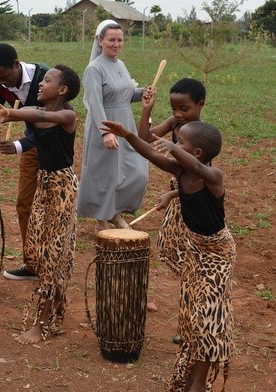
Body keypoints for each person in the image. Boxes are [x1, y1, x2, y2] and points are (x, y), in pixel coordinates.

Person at [101, 119, 235, 392]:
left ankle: (198, 382)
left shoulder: (213, 176)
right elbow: (149, 153)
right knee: (192, 314)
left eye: (181, 141)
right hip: (196, 248)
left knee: (208, 316)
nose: (174, 143)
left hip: (217, 253)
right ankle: (190, 371)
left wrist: (173, 148)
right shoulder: (181, 172)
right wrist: (127, 135)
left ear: (196, 152)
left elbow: (198, 167)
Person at [0, 64, 81, 345]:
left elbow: (33, 113)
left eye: (47, 81)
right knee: (36, 250)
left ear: (62, 90)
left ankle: (44, 322)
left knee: (52, 254)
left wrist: (10, 112)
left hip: (62, 188)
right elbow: (34, 114)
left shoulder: (67, 114)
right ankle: (54, 307)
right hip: (45, 184)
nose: (40, 83)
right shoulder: (43, 111)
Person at [0, 43, 50, 281]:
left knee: (53, 207)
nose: (3, 83)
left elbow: (49, 123)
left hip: (55, 147)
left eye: (6, 77)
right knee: (25, 205)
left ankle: (54, 261)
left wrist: (19, 145)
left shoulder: (45, 77)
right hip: (31, 144)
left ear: (17, 65)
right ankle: (33, 264)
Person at [77, 19, 150, 232]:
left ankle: (115, 212)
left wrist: (143, 92)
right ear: (100, 41)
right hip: (105, 125)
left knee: (135, 170)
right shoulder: (94, 69)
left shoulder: (121, 65)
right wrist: (105, 133)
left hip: (124, 124)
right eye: (111, 40)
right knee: (105, 174)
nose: (116, 44)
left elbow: (124, 95)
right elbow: (95, 102)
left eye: (120, 40)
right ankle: (102, 219)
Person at [138, 78, 206, 276]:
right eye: (174, 108)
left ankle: (195, 275)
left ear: (200, 105)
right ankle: (190, 274)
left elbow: (203, 178)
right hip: (179, 189)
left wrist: (173, 194)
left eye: (184, 108)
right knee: (169, 242)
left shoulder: (203, 135)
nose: (178, 113)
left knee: (191, 238)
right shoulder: (175, 122)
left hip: (194, 193)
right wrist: (146, 110)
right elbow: (144, 137)